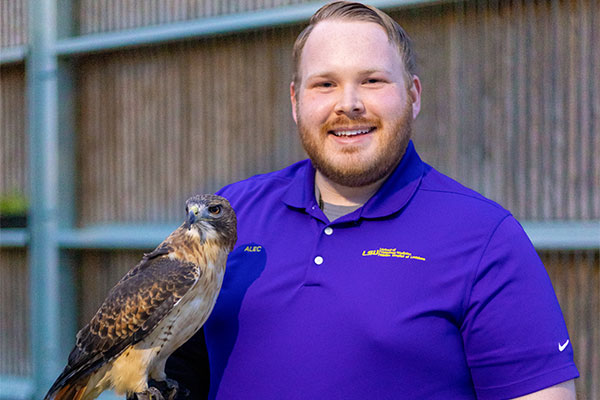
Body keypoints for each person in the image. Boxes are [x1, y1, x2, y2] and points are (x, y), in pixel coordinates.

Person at [166, 2, 579, 399]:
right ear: (296, 102)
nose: (349, 104)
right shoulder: (231, 214)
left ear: (413, 96)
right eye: (325, 84)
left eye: (372, 81)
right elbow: (174, 365)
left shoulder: (485, 238)